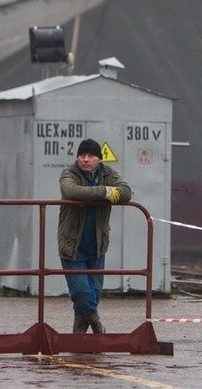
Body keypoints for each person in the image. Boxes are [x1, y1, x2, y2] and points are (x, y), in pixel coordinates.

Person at [58, 138, 132, 334]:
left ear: (99, 159)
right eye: (82, 155)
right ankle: (98, 327)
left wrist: (105, 192)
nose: (85, 159)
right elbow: (71, 191)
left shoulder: (108, 173)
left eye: (90, 156)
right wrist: (105, 192)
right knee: (82, 292)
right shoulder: (69, 173)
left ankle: (78, 339)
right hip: (73, 245)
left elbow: (125, 192)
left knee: (94, 293)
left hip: (97, 246)